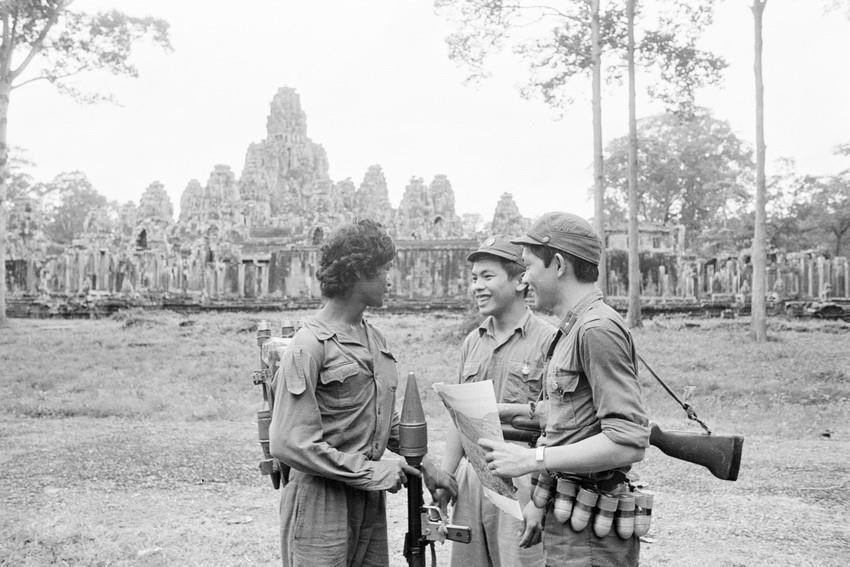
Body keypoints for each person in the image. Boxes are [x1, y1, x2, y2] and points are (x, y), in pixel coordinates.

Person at [269, 219, 456, 567]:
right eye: (384, 269)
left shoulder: (374, 339)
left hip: (367, 497)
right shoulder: (308, 346)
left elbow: (382, 418)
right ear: (357, 272)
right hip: (321, 500)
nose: (390, 279)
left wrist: (426, 464)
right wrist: (375, 473)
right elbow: (289, 443)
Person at [478, 212, 650, 567]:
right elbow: (573, 420)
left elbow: (628, 440)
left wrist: (530, 459)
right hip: (568, 520)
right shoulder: (571, 329)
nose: (523, 279)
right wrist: (515, 412)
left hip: (591, 539)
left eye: (528, 267)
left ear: (557, 264)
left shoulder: (596, 330)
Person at [437, 236, 553, 567]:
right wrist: (447, 477)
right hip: (472, 476)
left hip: (522, 476)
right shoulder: (472, 342)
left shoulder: (549, 341)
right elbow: (458, 418)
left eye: (488, 276)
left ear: (520, 281)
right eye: (474, 278)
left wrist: (540, 499)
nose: (477, 286)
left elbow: (558, 423)